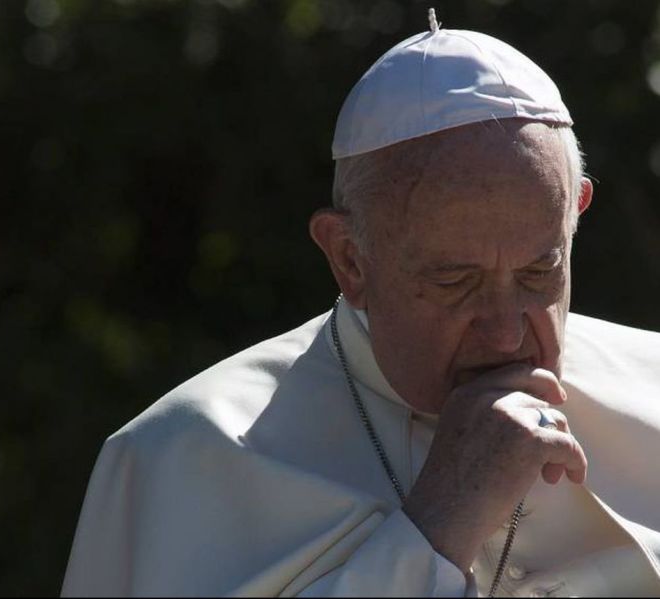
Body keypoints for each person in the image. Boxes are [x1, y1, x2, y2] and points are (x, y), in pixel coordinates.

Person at [62, 12, 660, 597]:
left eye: (540, 270)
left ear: (576, 211)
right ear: (349, 257)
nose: (505, 334)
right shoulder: (185, 456)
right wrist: (440, 522)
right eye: (455, 280)